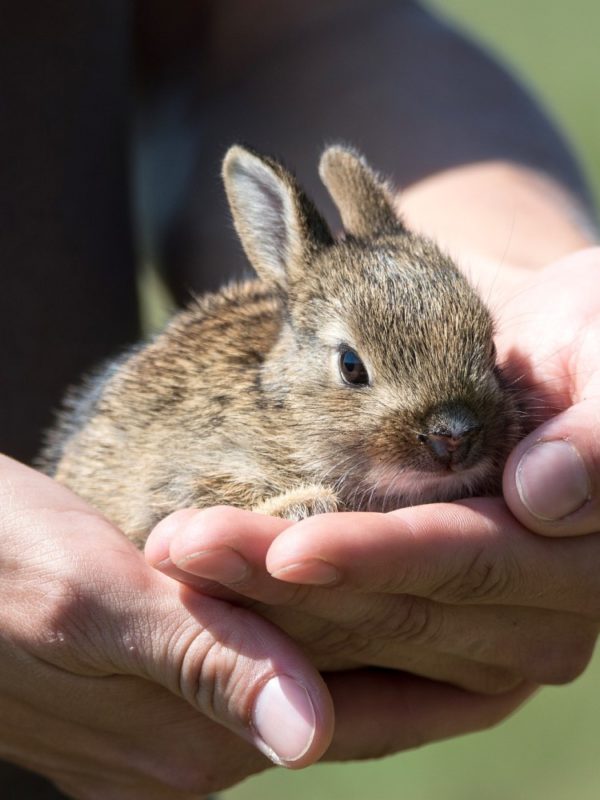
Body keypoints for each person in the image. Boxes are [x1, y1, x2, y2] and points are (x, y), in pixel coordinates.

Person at [1, 1, 598, 798]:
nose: (454, 432)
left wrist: (555, 307)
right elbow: (165, 502)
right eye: (357, 371)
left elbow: (291, 28)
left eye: (480, 358)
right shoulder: (245, 439)